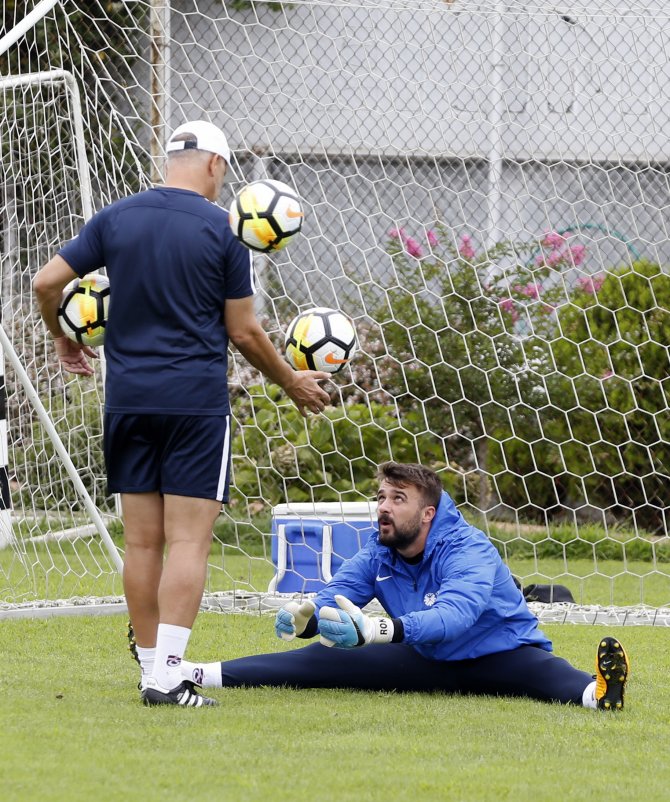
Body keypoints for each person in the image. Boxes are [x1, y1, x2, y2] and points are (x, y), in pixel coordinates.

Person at [33, 120, 330, 708]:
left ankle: (152, 671)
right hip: (193, 405)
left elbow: (46, 283)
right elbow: (243, 331)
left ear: (172, 159)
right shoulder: (224, 233)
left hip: (128, 402)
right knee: (189, 541)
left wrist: (63, 337)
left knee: (142, 544)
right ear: (217, 165)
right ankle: (168, 674)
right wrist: (293, 381)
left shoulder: (117, 218)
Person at [179, 462, 630, 710]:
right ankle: (194, 672)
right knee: (317, 662)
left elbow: (457, 615)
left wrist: (379, 630)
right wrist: (307, 618)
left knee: (546, 676)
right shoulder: (378, 550)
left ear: (428, 513)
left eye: (398, 499)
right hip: (424, 659)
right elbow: (337, 596)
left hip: (498, 653)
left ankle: (602, 693)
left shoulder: (469, 548)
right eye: (380, 497)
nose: (383, 507)